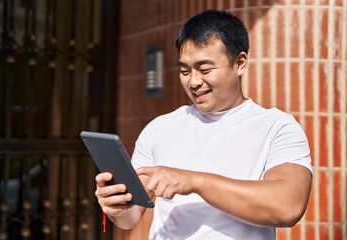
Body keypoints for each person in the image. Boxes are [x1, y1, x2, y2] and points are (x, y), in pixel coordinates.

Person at [95, 9, 312, 239]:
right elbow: (131, 217)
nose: (194, 81)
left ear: (239, 63)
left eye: (205, 69)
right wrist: (116, 206)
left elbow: (288, 206)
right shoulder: (159, 128)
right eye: (185, 71)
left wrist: (195, 182)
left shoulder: (277, 128)